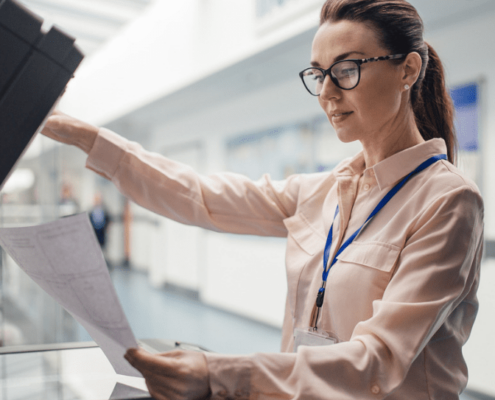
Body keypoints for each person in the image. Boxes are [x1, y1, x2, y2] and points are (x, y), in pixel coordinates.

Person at [40, 0, 484, 398]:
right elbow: (199, 195)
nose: (327, 92)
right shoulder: (322, 191)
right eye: (318, 73)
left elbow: (379, 359)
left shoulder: (447, 202)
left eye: (347, 69)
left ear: (407, 70)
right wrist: (91, 139)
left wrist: (221, 374)